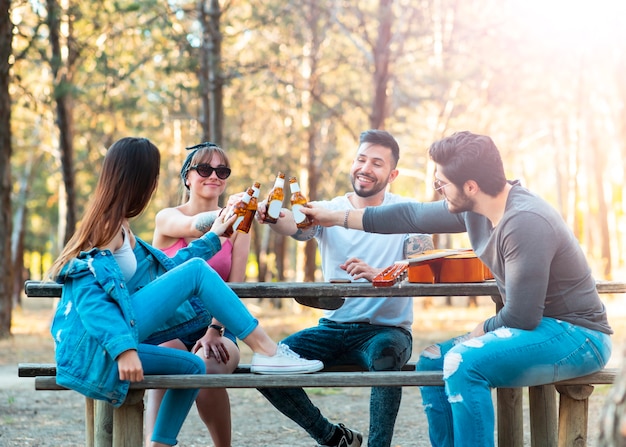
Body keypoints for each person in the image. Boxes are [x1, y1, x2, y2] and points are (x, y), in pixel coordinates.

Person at [301, 131, 613, 447]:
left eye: (443, 184)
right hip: (536, 330)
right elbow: (409, 215)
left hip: (578, 336)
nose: (439, 190)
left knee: (463, 362)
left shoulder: (524, 221)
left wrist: (478, 330)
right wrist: (337, 217)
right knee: (433, 360)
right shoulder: (475, 208)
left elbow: (522, 315)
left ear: (470, 186)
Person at [47, 137, 324, 447]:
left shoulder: (122, 228)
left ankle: (159, 444)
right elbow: (88, 296)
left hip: (125, 332)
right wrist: (123, 349)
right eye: (152, 176)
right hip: (98, 346)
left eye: (222, 172)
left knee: (194, 367)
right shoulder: (106, 227)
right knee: (195, 271)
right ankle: (268, 351)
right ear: (138, 178)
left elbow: (166, 270)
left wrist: (216, 237)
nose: (153, 185)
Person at [255, 129, 434, 447]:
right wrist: (271, 218)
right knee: (268, 365)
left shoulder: (407, 212)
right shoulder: (326, 210)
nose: (365, 167)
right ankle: (333, 437)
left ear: (392, 174)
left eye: (377, 163)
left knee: (386, 357)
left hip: (386, 331)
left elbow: (425, 269)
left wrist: (381, 274)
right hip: (332, 330)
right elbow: (296, 226)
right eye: (361, 158)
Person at [146, 142, 248, 447]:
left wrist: (216, 329)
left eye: (222, 170)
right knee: (167, 358)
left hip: (218, 325)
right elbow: (193, 227)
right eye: (204, 169)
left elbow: (235, 288)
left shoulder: (241, 226)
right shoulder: (167, 218)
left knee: (207, 368)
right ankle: (156, 444)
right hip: (170, 324)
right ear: (187, 177)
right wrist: (227, 216)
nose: (214, 176)